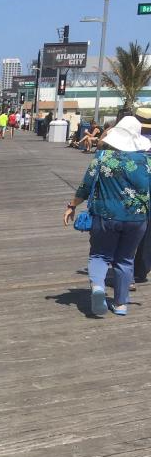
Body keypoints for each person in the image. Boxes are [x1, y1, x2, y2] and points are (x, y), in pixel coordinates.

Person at [64, 116, 151, 316]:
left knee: (100, 255)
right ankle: (121, 304)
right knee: (125, 260)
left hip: (106, 216)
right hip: (137, 219)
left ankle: (98, 288)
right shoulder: (147, 162)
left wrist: (72, 206)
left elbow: (85, 186)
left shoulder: (103, 158)